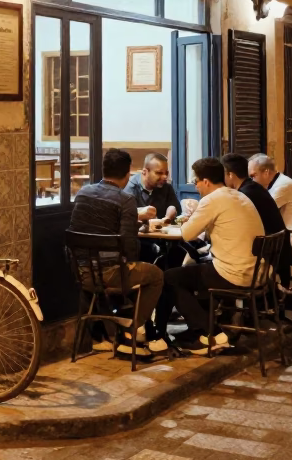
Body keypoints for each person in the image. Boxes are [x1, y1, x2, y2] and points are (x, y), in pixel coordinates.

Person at [69, 148, 169, 358]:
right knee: (156, 275)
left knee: (114, 276)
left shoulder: (83, 193)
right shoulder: (125, 200)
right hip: (111, 274)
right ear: (127, 174)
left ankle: (103, 337)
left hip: (81, 272)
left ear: (103, 170)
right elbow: (129, 245)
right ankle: (130, 332)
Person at [159, 157, 264, 354]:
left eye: (196, 182)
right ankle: (199, 330)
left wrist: (189, 218)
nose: (195, 187)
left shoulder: (212, 200)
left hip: (234, 273)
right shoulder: (238, 195)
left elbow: (186, 233)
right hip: (256, 271)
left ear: (205, 181)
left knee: (170, 278)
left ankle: (208, 333)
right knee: (190, 271)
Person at [221, 152, 291, 290]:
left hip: (267, 257)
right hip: (278, 251)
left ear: (230, 175)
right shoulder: (254, 187)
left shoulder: (244, 195)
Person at [125, 152, 184, 268]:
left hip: (164, 237)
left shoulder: (165, 186)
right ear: (145, 172)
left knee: (181, 252)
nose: (165, 177)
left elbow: (175, 207)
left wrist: (170, 214)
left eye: (166, 173)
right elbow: (127, 216)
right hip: (140, 240)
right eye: (159, 173)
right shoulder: (130, 188)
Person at [248, 154, 292, 257]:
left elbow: (262, 213)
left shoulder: (282, 186)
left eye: (253, 176)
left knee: (252, 247)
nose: (252, 181)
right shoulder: (280, 182)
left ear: (266, 172)